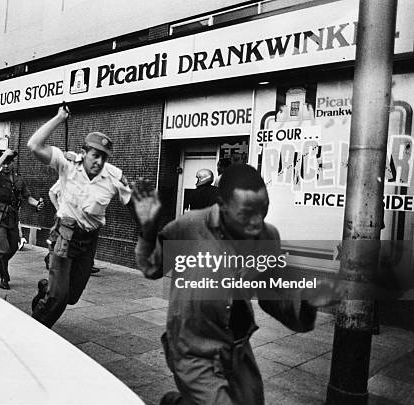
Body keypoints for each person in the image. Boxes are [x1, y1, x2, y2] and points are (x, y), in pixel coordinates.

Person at [132, 164, 341, 405]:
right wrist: (148, 229)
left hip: (237, 347)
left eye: (263, 210)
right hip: (193, 349)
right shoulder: (190, 226)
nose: (256, 222)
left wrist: (307, 299)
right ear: (222, 206)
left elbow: (271, 295)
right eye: (246, 213)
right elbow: (152, 266)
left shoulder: (267, 237)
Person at [27, 106, 132, 328]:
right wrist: (59, 117)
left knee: (72, 297)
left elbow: (136, 203)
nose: (99, 161)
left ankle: (46, 288)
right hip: (65, 235)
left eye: (104, 157)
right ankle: (34, 333)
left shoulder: (113, 176)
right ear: (84, 153)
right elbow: (34, 145)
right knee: (58, 299)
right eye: (95, 155)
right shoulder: (68, 164)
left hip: (89, 240)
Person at [0, 148, 44, 290]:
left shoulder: (19, 179)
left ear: (13, 163)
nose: (5, 165)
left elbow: (27, 197)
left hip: (12, 216)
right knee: (4, 249)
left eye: (8, 162)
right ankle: (4, 278)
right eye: (3, 163)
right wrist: (5, 154)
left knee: (13, 247)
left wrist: (37, 203)